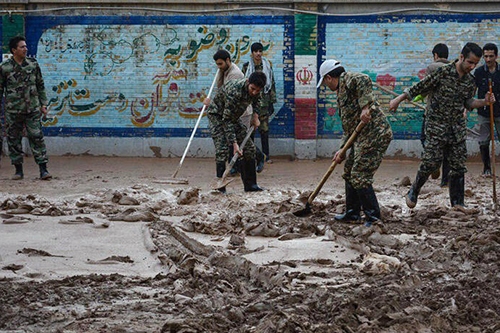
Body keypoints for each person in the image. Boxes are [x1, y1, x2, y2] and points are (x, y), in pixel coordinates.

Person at [389, 42, 495, 211]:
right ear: (461, 57)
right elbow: (419, 87)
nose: (472, 66)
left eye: (476, 63)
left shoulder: (469, 81)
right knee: (431, 161)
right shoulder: (442, 73)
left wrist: (484, 101)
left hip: (456, 127)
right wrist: (398, 100)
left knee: (459, 165)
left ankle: (458, 203)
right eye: (470, 62)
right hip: (436, 126)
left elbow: (468, 102)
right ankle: (414, 189)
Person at [317, 59, 393, 227]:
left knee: (360, 175)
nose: (325, 85)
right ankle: (352, 213)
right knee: (350, 170)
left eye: (324, 81)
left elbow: (364, 79)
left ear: (329, 77)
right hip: (361, 137)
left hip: (375, 134)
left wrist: (365, 107)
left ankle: (373, 218)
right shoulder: (342, 93)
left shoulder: (347, 79)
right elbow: (349, 128)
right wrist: (342, 150)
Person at [0, 36, 52, 180]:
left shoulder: (33, 65)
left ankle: (43, 170)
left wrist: (43, 104)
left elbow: (40, 85)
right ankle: (18, 170)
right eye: (22, 47)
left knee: (36, 137)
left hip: (32, 109)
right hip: (13, 110)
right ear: (14, 50)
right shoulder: (5, 68)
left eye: (26, 46)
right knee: (13, 139)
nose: (25, 49)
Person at [206, 72, 266, 193]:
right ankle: (220, 187)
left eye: (257, 90)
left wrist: (255, 116)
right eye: (252, 89)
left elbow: (257, 101)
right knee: (222, 149)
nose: (254, 92)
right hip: (218, 116)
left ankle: (251, 185)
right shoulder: (234, 92)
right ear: (248, 82)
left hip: (233, 117)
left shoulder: (256, 91)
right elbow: (226, 120)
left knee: (249, 149)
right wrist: (234, 144)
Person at [203, 49, 251, 176]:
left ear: (228, 61)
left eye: (220, 64)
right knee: (232, 140)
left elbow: (227, 97)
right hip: (230, 110)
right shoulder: (223, 70)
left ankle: (244, 166)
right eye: (217, 64)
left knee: (238, 141)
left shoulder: (234, 74)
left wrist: (211, 103)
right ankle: (235, 167)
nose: (218, 67)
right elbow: (221, 92)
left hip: (241, 112)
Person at [242, 42, 277, 172]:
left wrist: (272, 101)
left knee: (264, 130)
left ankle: (266, 156)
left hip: (264, 103)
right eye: (255, 51)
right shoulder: (246, 67)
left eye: (260, 51)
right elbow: (243, 84)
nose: (258, 53)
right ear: (252, 53)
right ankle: (251, 155)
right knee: (250, 131)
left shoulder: (267, 66)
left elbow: (271, 84)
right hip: (250, 104)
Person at [421, 43, 451, 187]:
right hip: (450, 117)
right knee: (447, 148)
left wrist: (416, 96)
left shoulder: (432, 68)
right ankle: (445, 180)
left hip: (433, 115)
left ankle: (434, 164)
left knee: (425, 139)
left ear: (436, 55)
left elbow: (425, 88)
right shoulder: (454, 69)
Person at [474, 43, 500, 177]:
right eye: (486, 56)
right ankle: (487, 168)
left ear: (496, 56)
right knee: (483, 141)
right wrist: (466, 109)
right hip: (484, 112)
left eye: (491, 56)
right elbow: (472, 91)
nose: (488, 59)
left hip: (499, 111)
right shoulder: (478, 72)